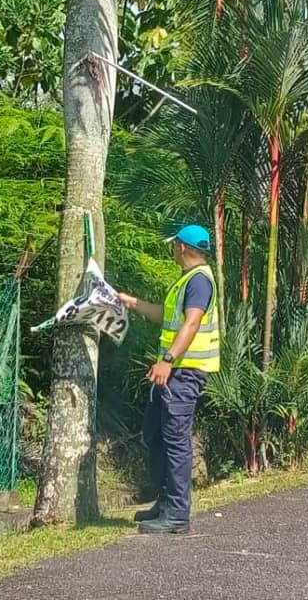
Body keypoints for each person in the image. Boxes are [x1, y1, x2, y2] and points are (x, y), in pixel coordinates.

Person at [117, 224, 220, 534]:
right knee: (157, 435)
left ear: (184, 248)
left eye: (175, 245)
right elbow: (166, 315)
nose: (173, 249)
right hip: (175, 372)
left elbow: (190, 324)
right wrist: (131, 302)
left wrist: (167, 360)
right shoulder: (187, 280)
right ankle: (164, 504)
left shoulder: (200, 281)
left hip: (184, 372)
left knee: (175, 440)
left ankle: (176, 514)